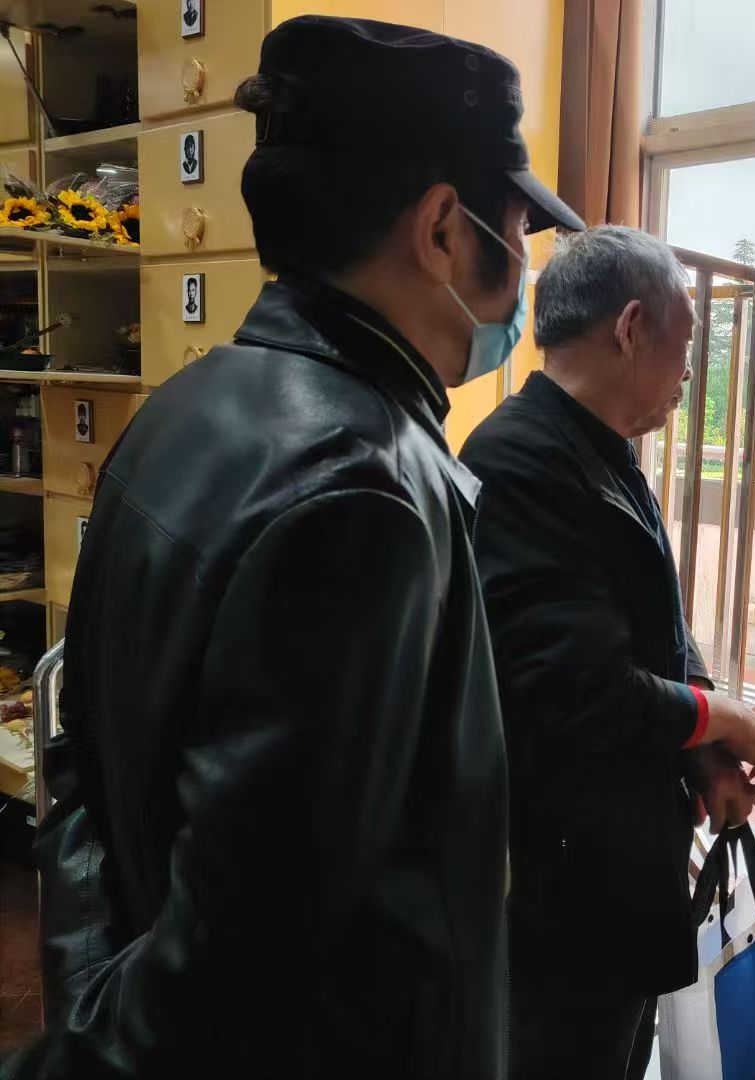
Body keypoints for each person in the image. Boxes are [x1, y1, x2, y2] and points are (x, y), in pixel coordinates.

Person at [0, 17, 583, 1080]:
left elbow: (81, 762)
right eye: (516, 230)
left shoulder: (185, 408)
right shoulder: (364, 496)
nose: (523, 268)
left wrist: (82, 983)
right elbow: (225, 978)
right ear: (442, 229)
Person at [460, 226, 755, 1080]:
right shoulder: (520, 460)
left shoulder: (599, 450)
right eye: (686, 344)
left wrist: (704, 746)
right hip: (562, 893)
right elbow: (575, 688)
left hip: (621, 868)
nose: (689, 372)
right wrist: (725, 718)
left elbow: (655, 620)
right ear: (633, 329)